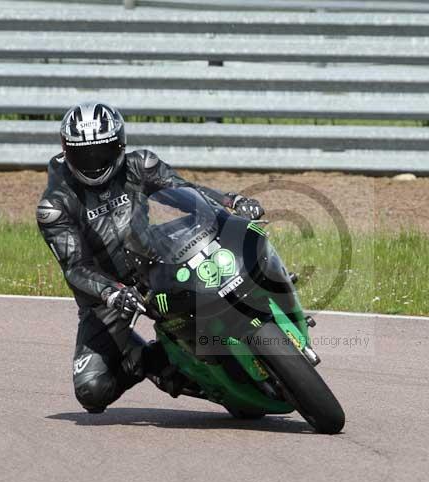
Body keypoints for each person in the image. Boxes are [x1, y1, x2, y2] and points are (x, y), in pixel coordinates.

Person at [37, 102, 264, 414]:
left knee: (223, 259)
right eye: (83, 153)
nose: (93, 161)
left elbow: (187, 192)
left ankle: (265, 299)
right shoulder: (55, 206)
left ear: (119, 144)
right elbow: (75, 267)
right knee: (92, 390)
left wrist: (232, 200)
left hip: (157, 262)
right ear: (67, 151)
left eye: (101, 151)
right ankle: (160, 359)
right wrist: (111, 292)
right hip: (108, 293)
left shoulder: (141, 164)